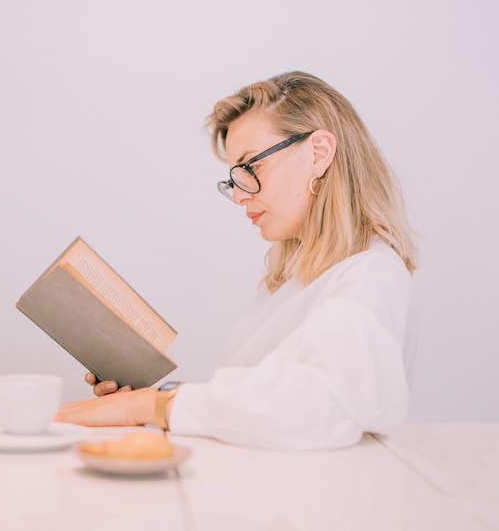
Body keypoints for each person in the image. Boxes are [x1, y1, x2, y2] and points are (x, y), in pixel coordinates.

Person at [57, 71, 419, 450]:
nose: (241, 195)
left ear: (319, 153)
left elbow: (315, 405)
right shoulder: (298, 282)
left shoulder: (370, 277)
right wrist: (153, 399)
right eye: (235, 178)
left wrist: (147, 405)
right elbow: (256, 404)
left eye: (251, 167)